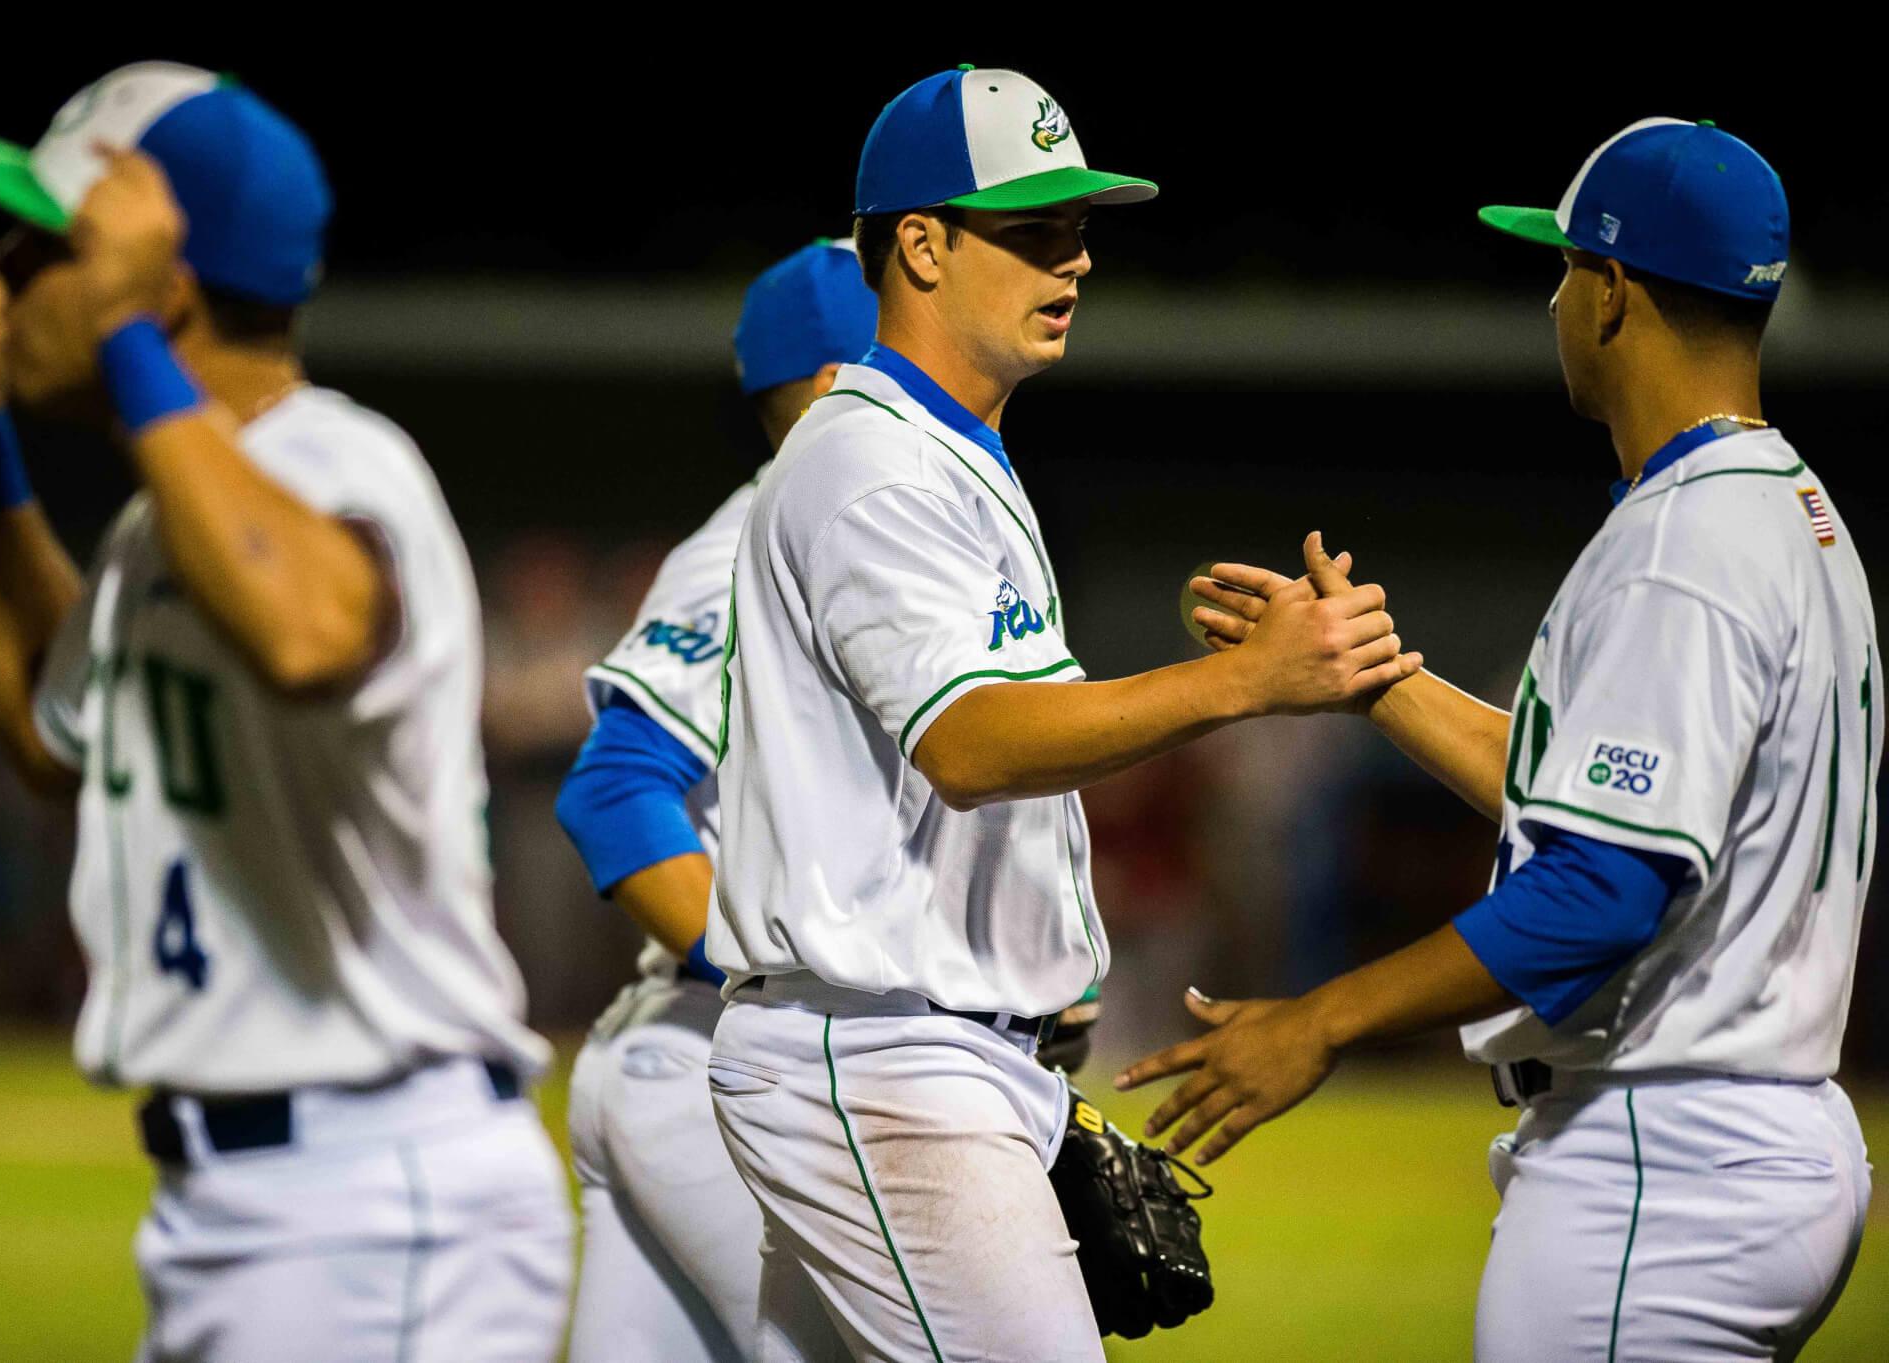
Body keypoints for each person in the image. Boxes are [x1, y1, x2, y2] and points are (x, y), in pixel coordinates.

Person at [1122, 117, 1876, 1361]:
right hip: (1754, 1135)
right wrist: (1373, 678)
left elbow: (1603, 886)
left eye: (1564, 268)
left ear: (1615, 294)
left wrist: (1318, 1020)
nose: (1552, 299)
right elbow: (1584, 809)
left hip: (1662, 1158)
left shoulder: (1681, 549)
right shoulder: (1788, 510)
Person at [704, 65, 1415, 1362]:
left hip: (928, 1046)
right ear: (918, 242)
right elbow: (969, 743)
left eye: (1080, 229)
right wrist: (1247, 684)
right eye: (1034, 232)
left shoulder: (953, 452)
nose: (1075, 259)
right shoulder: (871, 462)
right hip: (883, 1058)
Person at [0, 61, 572, 1361]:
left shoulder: (336, 460)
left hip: (377, 1190)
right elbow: (47, 726)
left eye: (44, 247)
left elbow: (305, 628)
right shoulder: (172, 515)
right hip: (259, 1202)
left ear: (158, 277)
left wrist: (126, 332)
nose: (2, 280)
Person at [556, 238, 879, 1362]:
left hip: (672, 1064)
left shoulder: (841, 527)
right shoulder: (760, 537)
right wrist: (771, 983)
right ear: (843, 380)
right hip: (720, 1070)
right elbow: (613, 788)